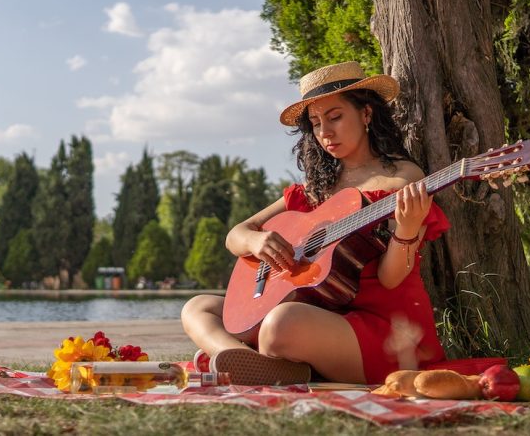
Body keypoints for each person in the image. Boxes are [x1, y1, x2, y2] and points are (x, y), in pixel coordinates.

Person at [180, 61, 449, 386]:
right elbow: (236, 235)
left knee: (280, 323)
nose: (325, 133)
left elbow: (390, 280)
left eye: (335, 117)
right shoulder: (316, 188)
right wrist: (256, 243)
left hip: (381, 328)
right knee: (198, 307)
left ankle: (253, 362)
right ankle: (241, 361)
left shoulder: (401, 179)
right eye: (316, 122)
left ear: (366, 114)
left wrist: (406, 231)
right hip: (317, 313)